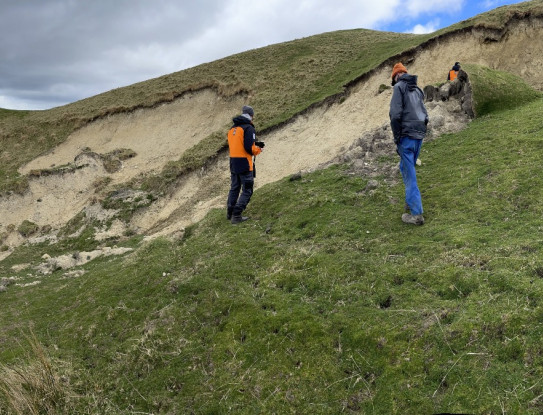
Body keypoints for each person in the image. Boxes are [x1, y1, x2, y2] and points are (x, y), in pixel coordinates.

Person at [389, 63, 429, 226]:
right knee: (405, 167)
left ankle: (416, 214)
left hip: (406, 135)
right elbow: (425, 114)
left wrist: (397, 137)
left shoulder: (399, 87)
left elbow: (395, 115)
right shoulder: (417, 89)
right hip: (419, 134)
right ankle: (410, 201)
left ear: (396, 76)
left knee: (409, 172)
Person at [226, 105, 264, 224]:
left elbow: (239, 144)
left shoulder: (232, 129)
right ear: (251, 116)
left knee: (235, 188)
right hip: (244, 163)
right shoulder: (249, 128)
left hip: (233, 162)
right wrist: (258, 149)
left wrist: (255, 143)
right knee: (247, 189)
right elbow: (249, 148)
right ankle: (236, 216)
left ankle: (230, 212)